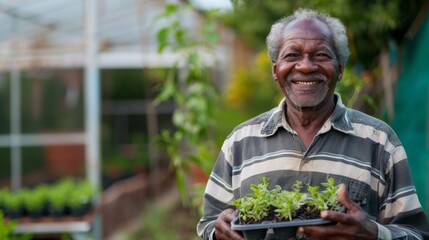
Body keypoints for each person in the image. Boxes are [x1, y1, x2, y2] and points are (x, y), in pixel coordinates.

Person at [196, 8, 429, 240]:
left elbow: (416, 233)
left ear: (340, 69)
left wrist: (375, 233)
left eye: (321, 55)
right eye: (292, 56)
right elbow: (208, 224)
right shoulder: (240, 142)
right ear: (275, 70)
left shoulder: (379, 142)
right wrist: (217, 232)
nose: (306, 66)